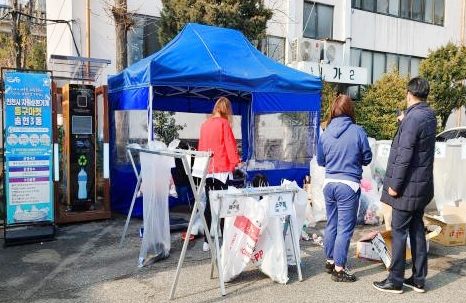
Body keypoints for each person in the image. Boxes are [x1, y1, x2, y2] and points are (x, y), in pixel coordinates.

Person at [373, 77, 436, 294]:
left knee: (399, 232)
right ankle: (418, 278)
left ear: (409, 94)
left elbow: (405, 155)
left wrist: (394, 186)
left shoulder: (413, 118)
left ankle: (395, 280)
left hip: (407, 187)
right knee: (417, 230)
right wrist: (405, 120)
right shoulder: (428, 115)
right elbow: (416, 144)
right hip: (422, 186)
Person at [316, 94, 372, 282]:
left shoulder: (326, 132)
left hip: (329, 183)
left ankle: (330, 261)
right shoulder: (357, 131)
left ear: (334, 111)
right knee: (344, 228)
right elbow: (367, 157)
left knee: (331, 224)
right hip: (348, 185)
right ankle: (339, 270)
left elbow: (321, 160)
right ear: (350, 110)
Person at [198, 96, 241, 252]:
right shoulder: (224, 124)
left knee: (210, 205)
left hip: (208, 170)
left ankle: (207, 241)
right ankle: (223, 239)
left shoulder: (205, 124)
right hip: (222, 169)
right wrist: (236, 162)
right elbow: (230, 145)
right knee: (224, 205)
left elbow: (201, 146)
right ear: (226, 110)